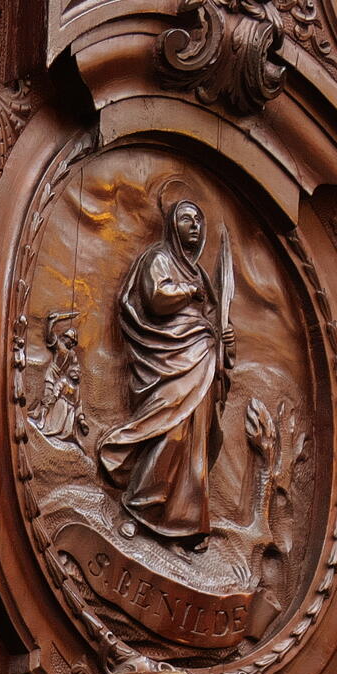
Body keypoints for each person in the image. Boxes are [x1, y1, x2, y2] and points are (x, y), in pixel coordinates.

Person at [97, 198, 233, 543]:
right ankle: (139, 505)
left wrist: (226, 340)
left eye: (198, 221)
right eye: (187, 219)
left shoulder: (200, 273)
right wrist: (189, 291)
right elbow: (156, 297)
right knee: (170, 432)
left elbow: (212, 318)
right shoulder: (159, 258)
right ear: (173, 225)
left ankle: (186, 523)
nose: (195, 226)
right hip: (171, 358)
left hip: (201, 358)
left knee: (195, 443)